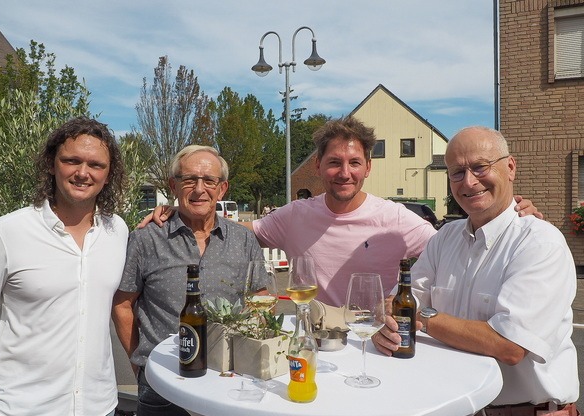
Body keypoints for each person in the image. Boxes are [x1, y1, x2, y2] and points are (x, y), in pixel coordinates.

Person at [145, 117, 540, 307]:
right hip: (314, 346)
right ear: (317, 167)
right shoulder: (294, 215)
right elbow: (233, 231)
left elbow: (461, 248)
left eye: (354, 163)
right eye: (334, 162)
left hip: (376, 345)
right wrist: (177, 213)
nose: (344, 172)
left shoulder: (398, 220)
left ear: (368, 167)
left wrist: (512, 213)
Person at [373, 126, 580, 416]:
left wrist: (422, 317)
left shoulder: (540, 242)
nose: (469, 182)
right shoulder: (445, 238)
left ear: (510, 167)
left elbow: (509, 346)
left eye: (480, 167)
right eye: (457, 172)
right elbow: (401, 302)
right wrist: (389, 324)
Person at [0, 117, 129, 416]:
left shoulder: (118, 231)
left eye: (95, 164)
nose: (83, 172)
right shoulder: (6, 233)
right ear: (52, 164)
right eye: (72, 160)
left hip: (96, 414)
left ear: (108, 175)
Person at [112, 145, 264, 416]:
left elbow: (258, 300)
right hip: (163, 388)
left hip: (227, 383)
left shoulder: (244, 239)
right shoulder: (146, 239)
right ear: (173, 186)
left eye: (209, 181)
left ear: (222, 189)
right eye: (189, 179)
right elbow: (123, 305)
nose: (199, 189)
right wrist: (139, 364)